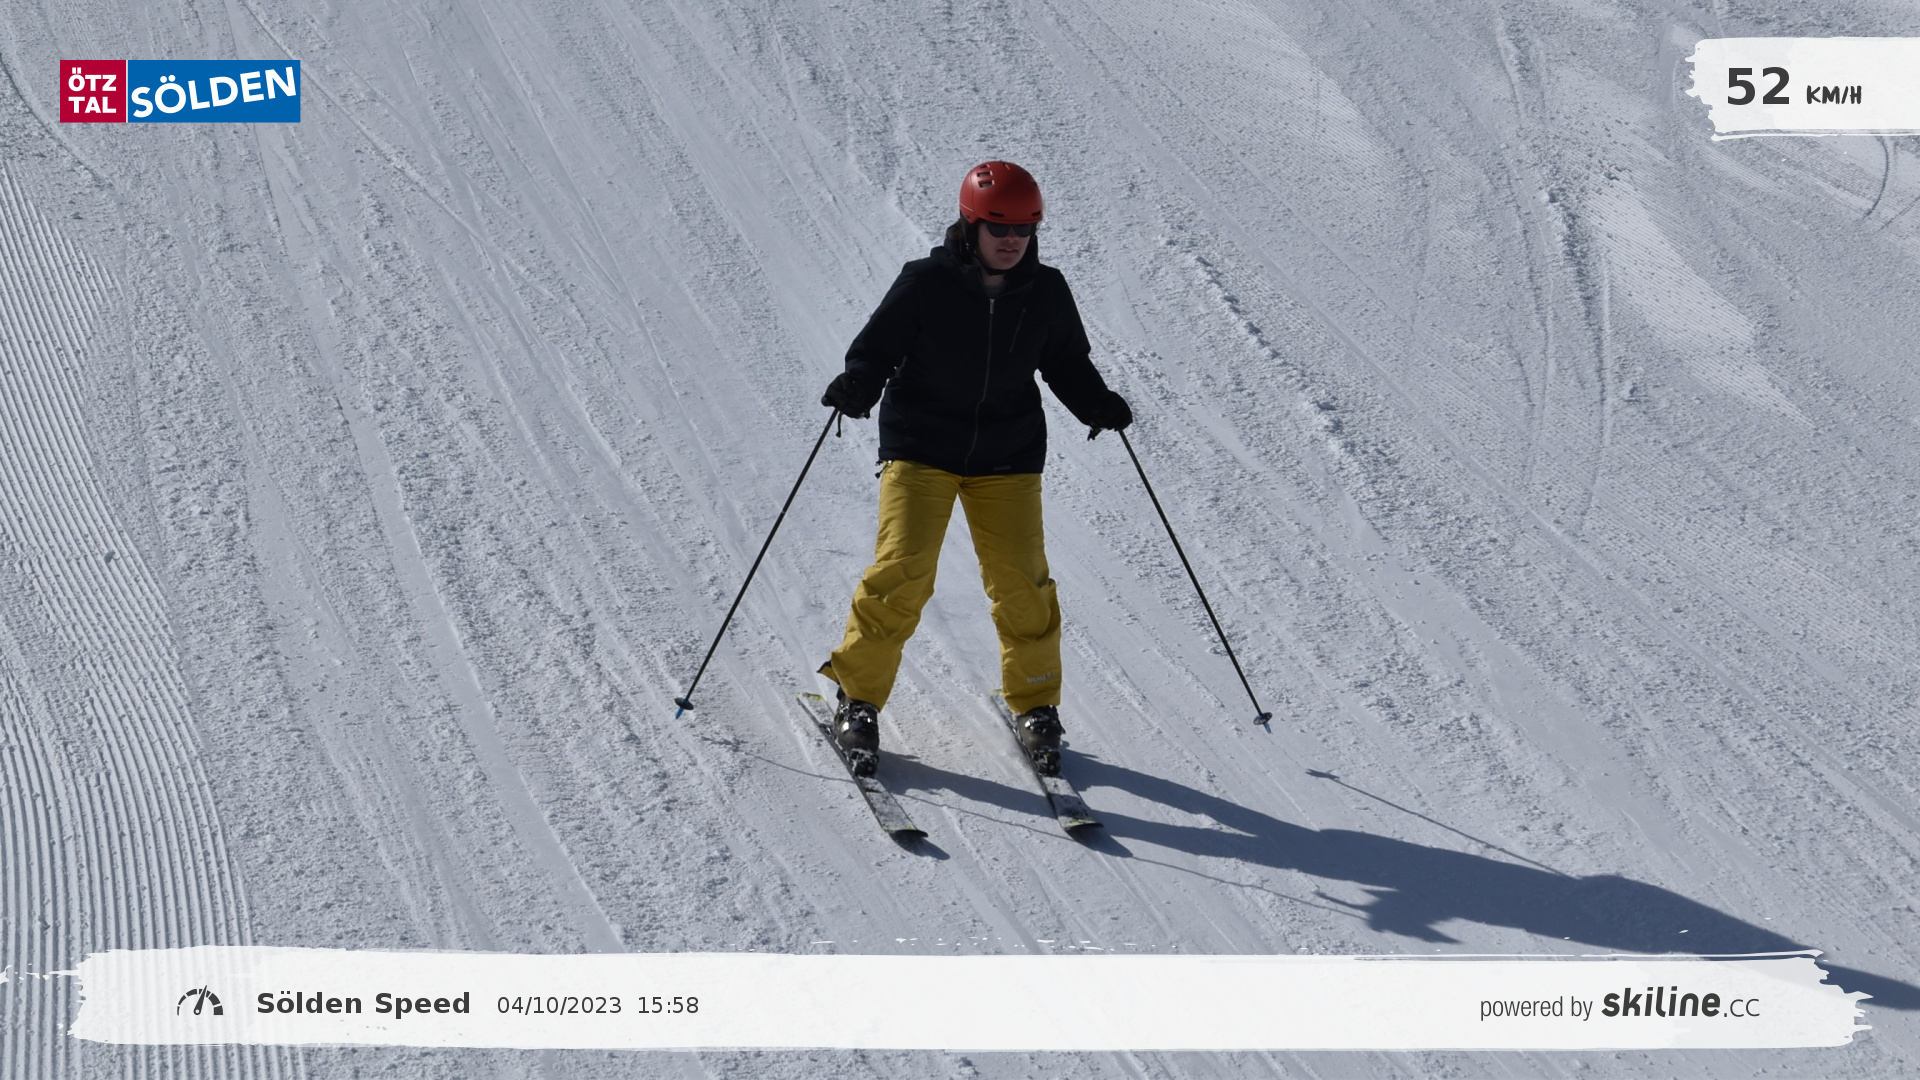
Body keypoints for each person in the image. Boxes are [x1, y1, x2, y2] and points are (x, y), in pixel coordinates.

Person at [817, 160, 1132, 777]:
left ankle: (1035, 703)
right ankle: (858, 697)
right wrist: (859, 382)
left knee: (1023, 583)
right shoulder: (925, 282)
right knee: (903, 570)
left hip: (1007, 453)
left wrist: (1096, 402)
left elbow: (1066, 362)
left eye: (1024, 229)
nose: (1012, 240)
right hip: (921, 446)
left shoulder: (1046, 290)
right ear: (971, 224)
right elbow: (876, 350)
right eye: (999, 227)